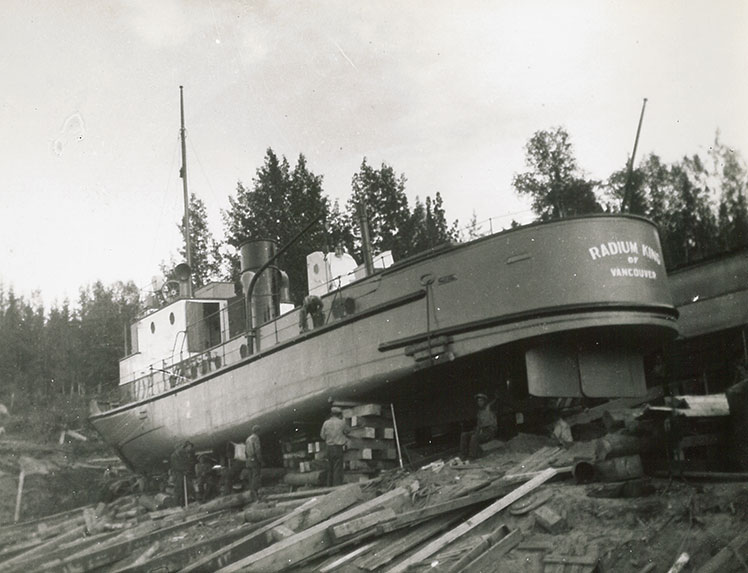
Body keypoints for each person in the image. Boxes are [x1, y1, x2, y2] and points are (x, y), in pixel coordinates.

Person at [459, 393, 498, 460]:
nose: (479, 402)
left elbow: (494, 402)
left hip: (490, 431)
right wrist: (476, 431)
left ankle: (472, 457)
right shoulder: (479, 413)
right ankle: (463, 456)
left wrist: (496, 397)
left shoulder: (489, 408)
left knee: (474, 437)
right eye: (478, 401)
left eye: (481, 400)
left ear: (485, 401)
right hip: (482, 431)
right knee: (464, 435)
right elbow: (479, 425)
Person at [320, 406, 349, 486]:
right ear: (339, 414)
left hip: (329, 448)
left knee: (330, 468)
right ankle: (336, 487)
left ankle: (329, 486)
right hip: (337, 448)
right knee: (337, 469)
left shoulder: (326, 423)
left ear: (331, 414)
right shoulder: (341, 422)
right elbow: (348, 431)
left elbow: (322, 436)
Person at [170, 441, 197, 506]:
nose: (181, 448)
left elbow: (186, 463)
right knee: (178, 490)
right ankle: (176, 505)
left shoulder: (182, 455)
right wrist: (184, 469)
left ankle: (183, 504)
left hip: (183, 474)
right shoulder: (173, 455)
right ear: (177, 448)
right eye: (180, 447)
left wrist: (186, 469)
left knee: (185, 490)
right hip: (177, 475)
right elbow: (176, 465)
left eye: (181, 447)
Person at [245, 425, 263, 501]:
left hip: (248, 460)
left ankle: (251, 494)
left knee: (250, 477)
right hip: (254, 459)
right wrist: (260, 460)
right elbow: (257, 450)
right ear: (257, 431)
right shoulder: (255, 438)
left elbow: (245, 451)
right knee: (256, 476)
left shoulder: (248, 439)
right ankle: (256, 495)